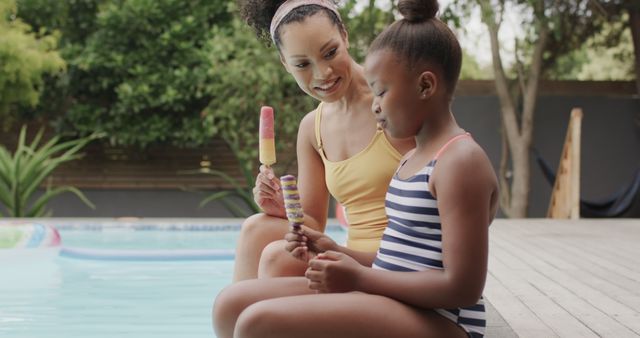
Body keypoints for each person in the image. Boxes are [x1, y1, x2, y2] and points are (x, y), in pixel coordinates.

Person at [212, 0, 499, 337]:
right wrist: (336, 251)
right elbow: (399, 253)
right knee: (230, 304)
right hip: (386, 283)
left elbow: (461, 285)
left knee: (256, 322)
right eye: (302, 63)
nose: (374, 106)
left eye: (381, 92)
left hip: (442, 316)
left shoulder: (457, 160)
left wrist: (360, 276)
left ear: (425, 86)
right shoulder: (413, 158)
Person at [233, 0, 414, 281]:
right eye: (302, 64)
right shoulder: (311, 128)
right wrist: (280, 207)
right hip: (353, 257)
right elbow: (314, 223)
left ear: (344, 35)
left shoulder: (394, 99)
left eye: (330, 53)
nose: (322, 74)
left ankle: (254, 320)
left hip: (398, 263)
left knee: (276, 259)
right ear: (285, 63)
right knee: (256, 228)